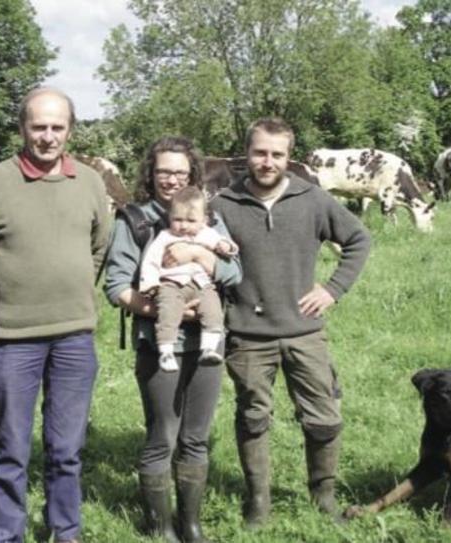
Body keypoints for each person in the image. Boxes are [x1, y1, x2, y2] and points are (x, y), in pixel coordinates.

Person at [0, 87, 111, 543]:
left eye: (57, 127)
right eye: (38, 126)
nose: (48, 137)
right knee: (11, 448)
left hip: (74, 337)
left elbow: (100, 247)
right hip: (11, 338)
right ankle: (2, 534)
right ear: (22, 127)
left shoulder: (90, 182)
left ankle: (64, 531)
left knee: (67, 449)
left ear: (70, 129)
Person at [210, 118, 371, 525]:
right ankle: (258, 500)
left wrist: (332, 289)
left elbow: (357, 239)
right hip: (247, 335)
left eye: (276, 154)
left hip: (304, 332)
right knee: (252, 417)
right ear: (246, 153)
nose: (267, 162)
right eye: (260, 152)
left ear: (288, 157)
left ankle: (324, 495)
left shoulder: (312, 199)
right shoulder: (223, 205)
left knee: (324, 417)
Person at [104, 137, 241, 542]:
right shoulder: (134, 219)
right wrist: (165, 311)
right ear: (151, 172)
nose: (172, 179)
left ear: (193, 175)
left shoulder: (208, 217)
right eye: (164, 171)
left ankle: (191, 525)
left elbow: (236, 274)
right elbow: (116, 286)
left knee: (196, 436)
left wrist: (201, 258)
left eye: (180, 172)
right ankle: (161, 527)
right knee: (162, 435)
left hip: (207, 346)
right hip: (158, 342)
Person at [139, 186, 239, 372]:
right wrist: (150, 284)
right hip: (171, 284)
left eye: (191, 221)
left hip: (202, 283)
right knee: (168, 313)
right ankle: (166, 351)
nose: (184, 225)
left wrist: (225, 246)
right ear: (170, 218)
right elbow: (150, 261)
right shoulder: (165, 237)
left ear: (204, 221)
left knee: (213, 310)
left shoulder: (206, 233)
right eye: (178, 220)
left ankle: (208, 348)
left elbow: (224, 244)